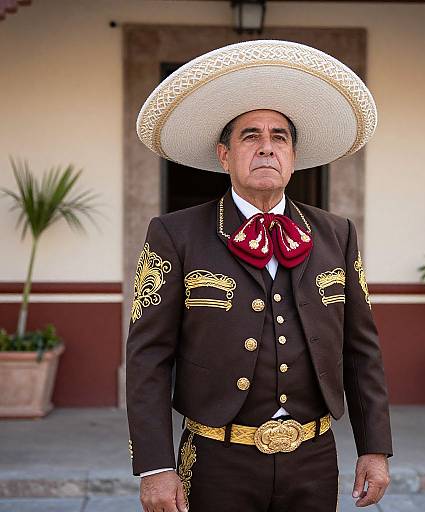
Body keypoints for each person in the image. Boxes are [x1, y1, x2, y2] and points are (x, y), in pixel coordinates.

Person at [126, 39, 393, 512]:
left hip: (313, 458)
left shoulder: (338, 234)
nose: (267, 148)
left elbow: (362, 349)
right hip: (215, 458)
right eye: (251, 136)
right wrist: (154, 465)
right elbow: (148, 357)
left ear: (293, 156)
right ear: (224, 156)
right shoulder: (175, 233)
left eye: (279, 137)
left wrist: (374, 447)